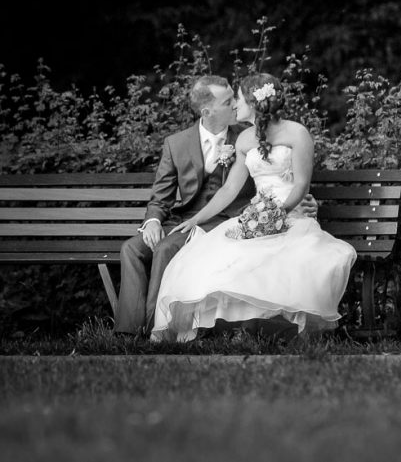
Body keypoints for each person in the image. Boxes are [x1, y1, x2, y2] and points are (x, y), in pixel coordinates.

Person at [150, 73, 356, 342]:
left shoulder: (297, 133)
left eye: (237, 98)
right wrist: (196, 220)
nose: (235, 104)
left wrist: (275, 215)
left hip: (291, 217)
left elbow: (301, 185)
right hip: (255, 218)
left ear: (253, 102)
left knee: (291, 261)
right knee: (213, 258)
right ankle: (237, 330)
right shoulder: (245, 139)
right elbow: (229, 189)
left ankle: (270, 332)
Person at [114, 75, 317, 336]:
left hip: (238, 219)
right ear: (206, 111)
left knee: (166, 249)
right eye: (228, 101)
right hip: (195, 219)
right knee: (131, 248)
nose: (234, 105)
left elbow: (294, 181)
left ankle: (156, 327)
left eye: (236, 99)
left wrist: (297, 204)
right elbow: (169, 195)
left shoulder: (247, 134)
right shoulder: (179, 143)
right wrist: (155, 221)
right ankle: (129, 331)